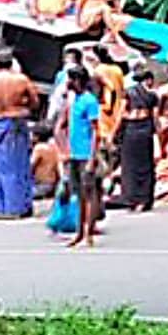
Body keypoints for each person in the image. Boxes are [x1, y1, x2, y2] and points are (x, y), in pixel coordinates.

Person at [0, 50, 39, 219]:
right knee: (18, 165)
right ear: (11, 64)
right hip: (17, 120)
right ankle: (18, 206)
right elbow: (35, 101)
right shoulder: (21, 80)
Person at [64, 66, 102, 247]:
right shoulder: (74, 101)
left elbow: (96, 131)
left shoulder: (89, 101)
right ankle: (80, 231)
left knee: (90, 193)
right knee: (79, 194)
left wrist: (92, 158)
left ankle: (89, 231)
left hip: (86, 153)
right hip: (74, 153)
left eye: (70, 79)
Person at [116, 68, 158, 211]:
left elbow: (121, 114)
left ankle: (132, 199)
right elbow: (155, 118)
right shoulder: (152, 96)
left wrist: (114, 133)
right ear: (149, 80)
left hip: (131, 129)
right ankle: (144, 199)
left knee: (130, 166)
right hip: (145, 129)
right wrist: (157, 134)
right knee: (145, 166)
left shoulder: (128, 93)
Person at [92, 45, 125, 158]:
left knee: (103, 144)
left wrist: (106, 104)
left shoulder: (99, 71)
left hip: (105, 110)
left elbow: (110, 88)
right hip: (117, 111)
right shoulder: (118, 70)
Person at [31, 124, 62, 200]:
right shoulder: (53, 147)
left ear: (37, 136)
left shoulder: (39, 148)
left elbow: (31, 167)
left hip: (41, 185)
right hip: (52, 185)